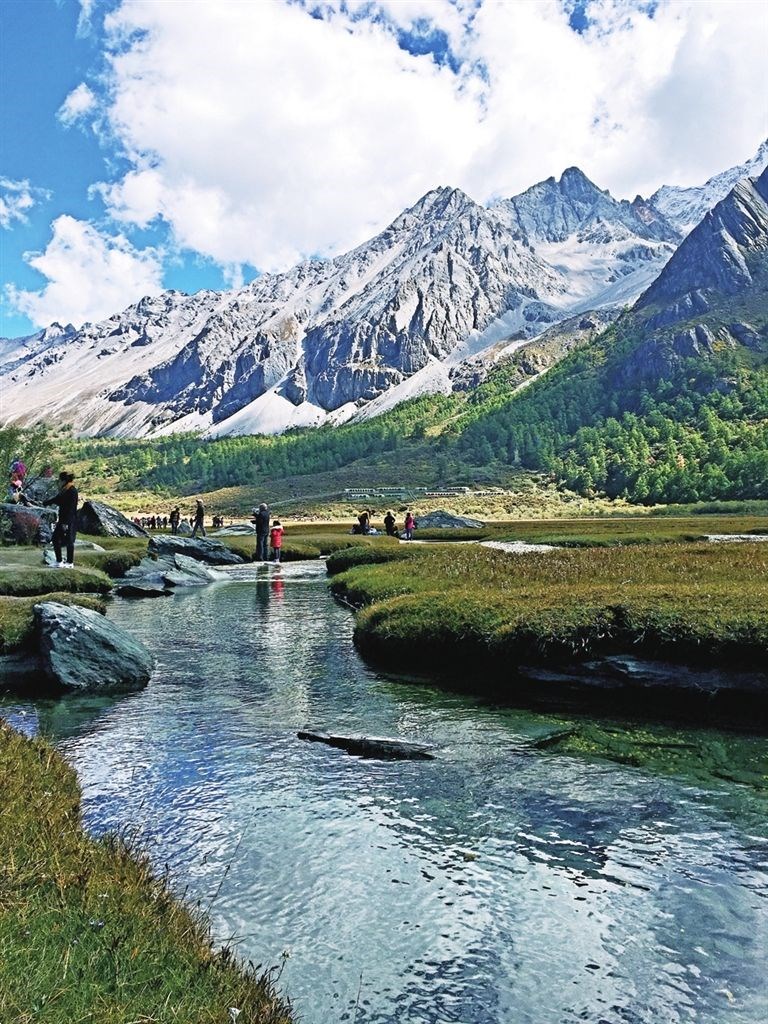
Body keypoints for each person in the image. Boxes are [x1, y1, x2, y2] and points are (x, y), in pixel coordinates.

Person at [44, 471, 79, 567]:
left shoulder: (72, 491)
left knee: (69, 540)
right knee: (55, 539)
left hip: (69, 520)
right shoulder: (65, 490)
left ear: (64, 480)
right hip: (63, 519)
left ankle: (70, 562)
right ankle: (59, 561)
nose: (58, 482)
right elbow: (56, 500)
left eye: (59, 480)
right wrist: (44, 503)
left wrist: (66, 523)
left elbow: (71, 508)